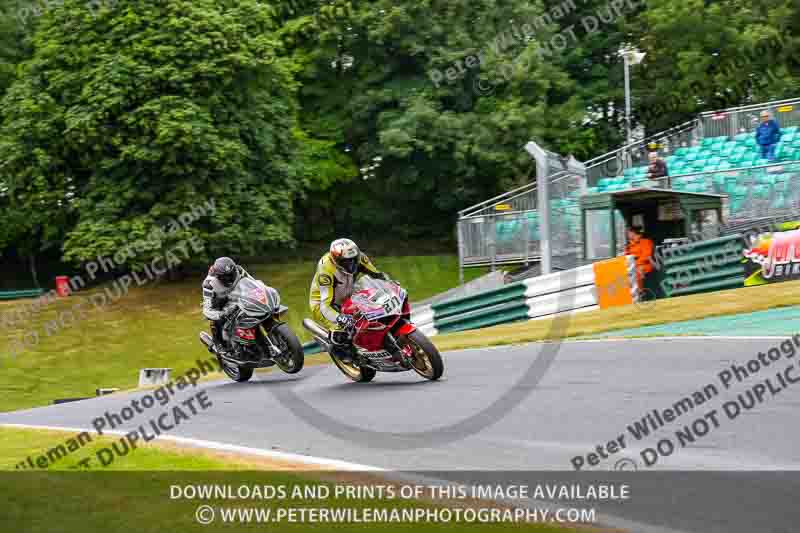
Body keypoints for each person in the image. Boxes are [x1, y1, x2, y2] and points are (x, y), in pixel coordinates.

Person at [309, 238, 391, 356]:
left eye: (353, 260)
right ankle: (341, 353)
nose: (352, 264)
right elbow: (325, 306)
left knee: (373, 311)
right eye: (346, 262)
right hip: (324, 303)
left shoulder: (360, 258)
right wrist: (340, 318)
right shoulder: (325, 270)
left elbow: (377, 275)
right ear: (336, 260)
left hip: (348, 294)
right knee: (341, 332)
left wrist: (390, 284)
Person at [202, 256, 253, 355]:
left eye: (231, 275)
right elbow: (207, 308)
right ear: (217, 276)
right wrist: (220, 314)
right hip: (220, 302)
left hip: (237, 296)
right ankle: (219, 344)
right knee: (215, 317)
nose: (229, 278)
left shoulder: (239, 270)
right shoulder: (208, 284)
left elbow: (253, 282)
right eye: (225, 277)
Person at [624, 226, 654, 292]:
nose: (627, 234)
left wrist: (634, 264)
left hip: (645, 265)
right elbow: (626, 256)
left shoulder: (645, 241)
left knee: (637, 271)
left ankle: (640, 291)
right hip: (632, 265)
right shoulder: (629, 245)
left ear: (633, 233)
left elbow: (646, 256)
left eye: (629, 232)